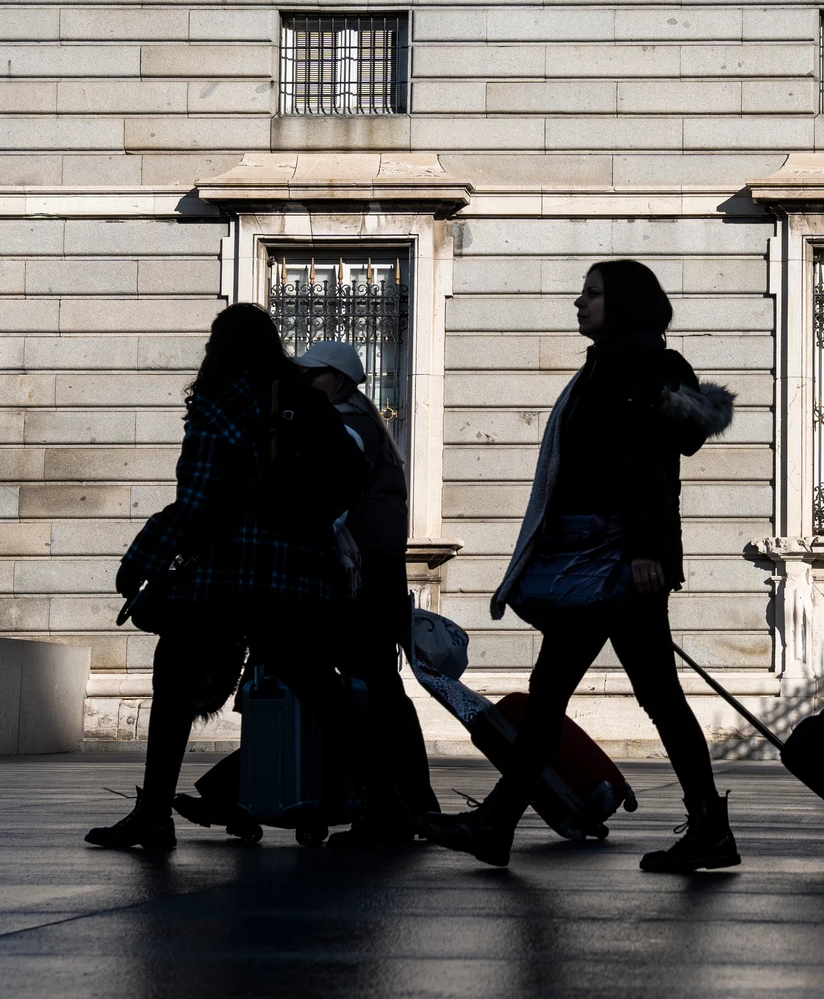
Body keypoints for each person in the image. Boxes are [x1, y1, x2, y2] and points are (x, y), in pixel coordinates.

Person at [417, 259, 736, 869]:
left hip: (610, 562)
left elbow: (647, 469)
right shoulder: (615, 366)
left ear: (624, 304)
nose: (578, 303)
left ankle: (498, 823)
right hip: (602, 559)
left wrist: (646, 551)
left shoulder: (636, 370)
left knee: (566, 692)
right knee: (635, 694)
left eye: (592, 294)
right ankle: (706, 829)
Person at [89, 304, 383, 849]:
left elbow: (198, 498)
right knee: (319, 687)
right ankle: (390, 803)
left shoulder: (222, 400)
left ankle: (153, 815)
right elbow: (356, 473)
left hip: (229, 572)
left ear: (217, 348)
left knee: (175, 680)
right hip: (297, 575)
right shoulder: (301, 399)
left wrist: (144, 559)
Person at [291, 340, 440, 844]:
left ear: (334, 379)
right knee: (378, 687)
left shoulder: (346, 425)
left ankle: (388, 803)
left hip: (361, 577)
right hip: (381, 573)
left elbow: (331, 496)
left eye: (311, 376)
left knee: (347, 685)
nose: (303, 384)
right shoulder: (364, 419)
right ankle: (413, 799)